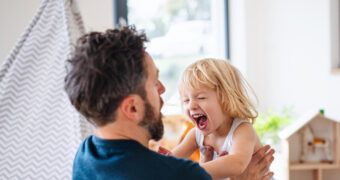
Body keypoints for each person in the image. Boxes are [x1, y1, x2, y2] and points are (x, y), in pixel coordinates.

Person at [64, 25, 274, 180]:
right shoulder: (178, 175)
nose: (163, 88)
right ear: (133, 108)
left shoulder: (84, 156)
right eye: (154, 83)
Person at [162, 58, 268, 180]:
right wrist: (163, 161)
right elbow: (172, 162)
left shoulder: (242, 130)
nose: (191, 105)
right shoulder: (195, 135)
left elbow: (237, 164)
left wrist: (192, 172)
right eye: (186, 100)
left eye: (201, 97)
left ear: (226, 99)